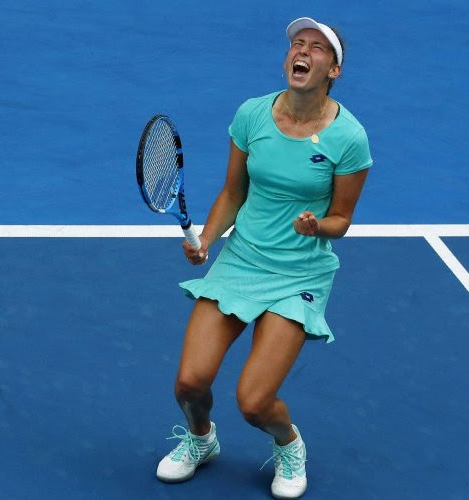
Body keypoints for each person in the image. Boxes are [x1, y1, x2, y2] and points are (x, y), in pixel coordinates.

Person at [155, 16, 372, 499]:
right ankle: (200, 439)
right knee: (189, 384)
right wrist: (208, 239)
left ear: (332, 70)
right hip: (242, 261)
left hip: (299, 274)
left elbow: (342, 218)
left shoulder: (349, 138)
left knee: (254, 404)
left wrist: (319, 226)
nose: (304, 51)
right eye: (298, 43)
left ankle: (289, 443)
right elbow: (233, 191)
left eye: (317, 48)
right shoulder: (253, 114)